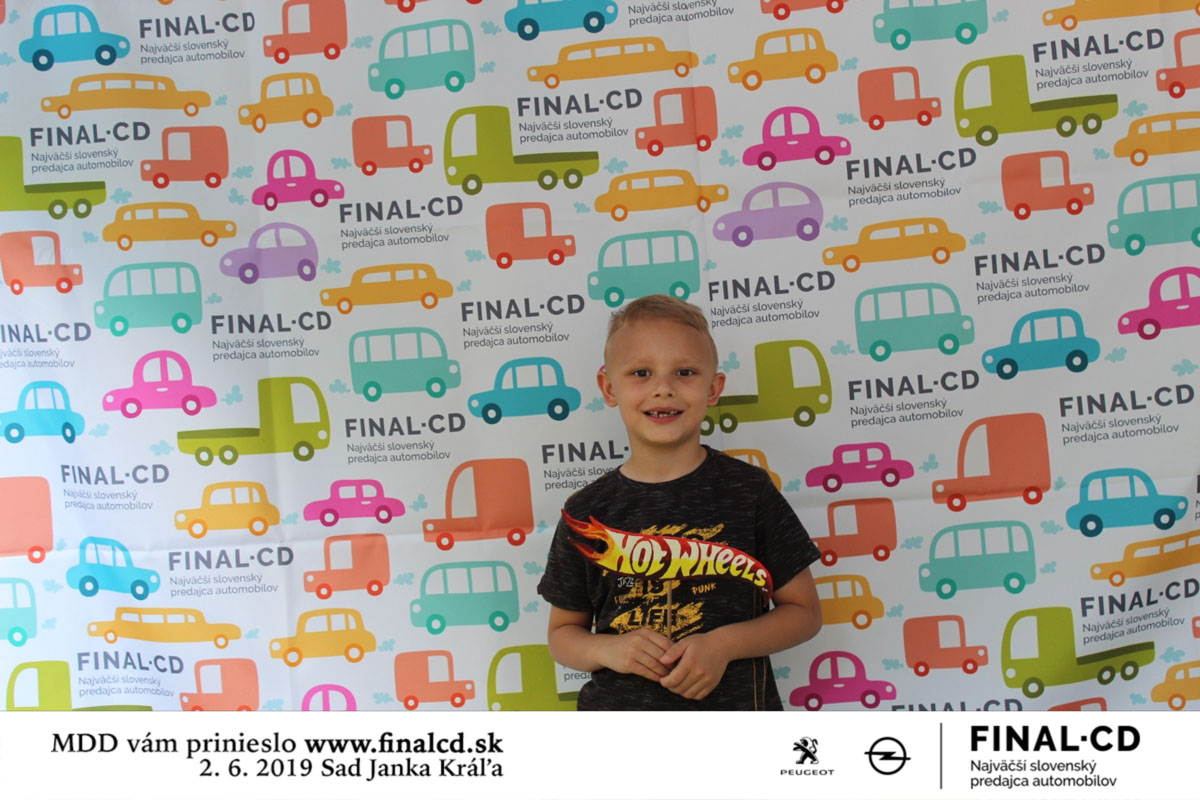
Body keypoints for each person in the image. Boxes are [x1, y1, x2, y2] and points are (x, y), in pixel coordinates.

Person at [537, 294, 822, 710]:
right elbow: (562, 636)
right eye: (641, 373)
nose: (663, 388)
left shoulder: (749, 492)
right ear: (609, 388)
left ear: (714, 388)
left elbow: (804, 613)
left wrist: (724, 644)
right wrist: (609, 649)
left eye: (685, 372)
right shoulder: (586, 512)